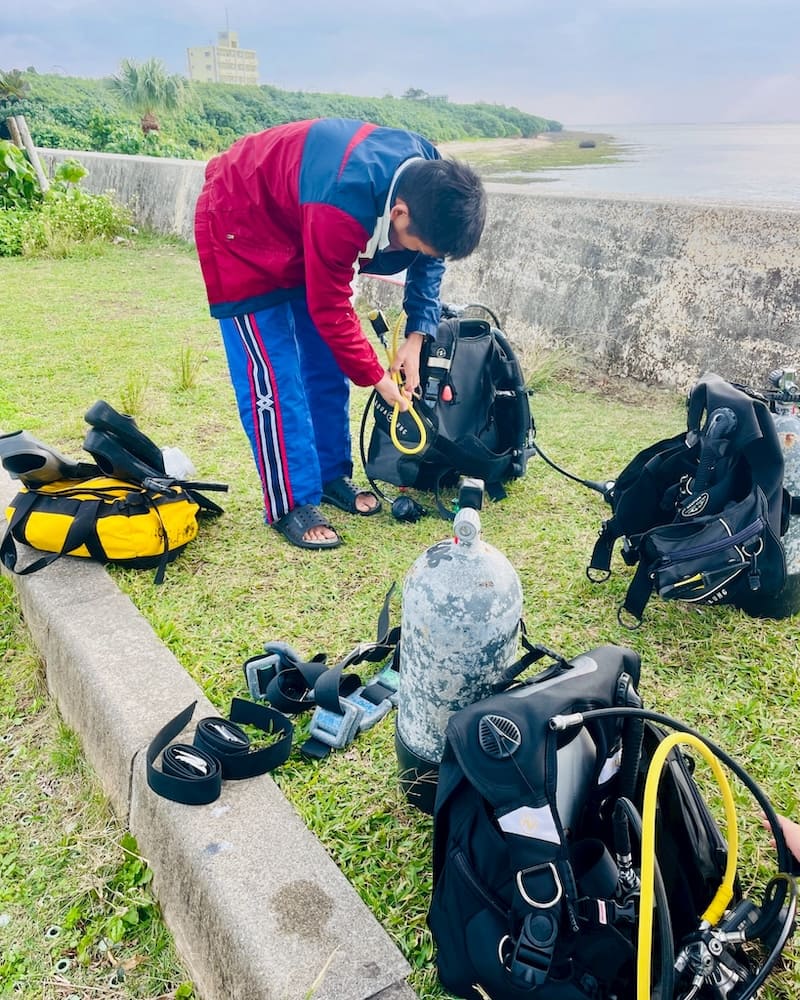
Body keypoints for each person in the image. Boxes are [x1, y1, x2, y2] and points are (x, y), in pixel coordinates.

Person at [194, 117, 487, 550]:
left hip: (298, 222)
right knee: (275, 379)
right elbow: (330, 306)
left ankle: (331, 474)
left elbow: (430, 260)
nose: (418, 255)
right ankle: (291, 503)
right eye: (414, 244)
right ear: (399, 213)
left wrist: (417, 336)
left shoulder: (429, 175)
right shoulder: (342, 202)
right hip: (240, 224)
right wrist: (380, 380)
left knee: (325, 366)